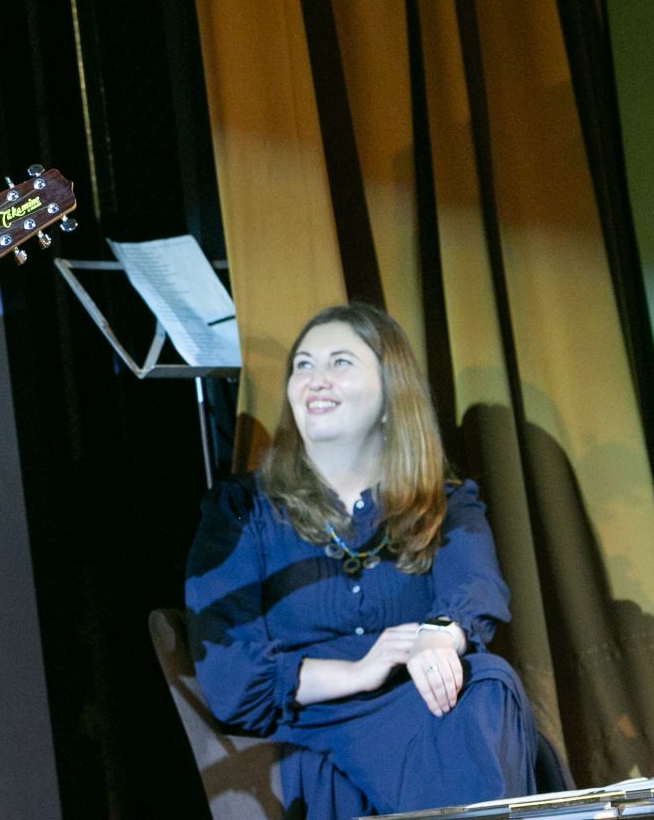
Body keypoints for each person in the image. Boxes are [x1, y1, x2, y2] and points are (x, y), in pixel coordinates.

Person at [185, 302, 549, 818]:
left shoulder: (444, 504)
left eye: (340, 362)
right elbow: (230, 676)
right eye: (303, 365)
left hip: (428, 708)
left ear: (389, 395)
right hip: (318, 723)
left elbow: (474, 586)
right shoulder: (243, 512)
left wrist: (437, 635)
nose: (316, 379)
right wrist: (359, 671)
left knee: (484, 684)